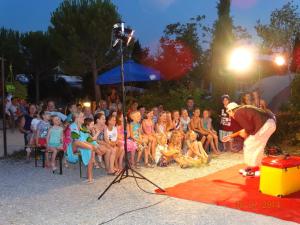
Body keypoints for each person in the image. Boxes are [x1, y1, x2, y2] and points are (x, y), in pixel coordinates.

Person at [222, 102, 276, 177]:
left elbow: (248, 128)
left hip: (265, 125)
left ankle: (254, 169)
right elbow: (246, 129)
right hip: (270, 124)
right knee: (256, 146)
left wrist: (246, 134)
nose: (229, 115)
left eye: (228, 113)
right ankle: (253, 168)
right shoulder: (243, 109)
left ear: (231, 111)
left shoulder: (237, 113)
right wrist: (231, 136)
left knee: (250, 144)